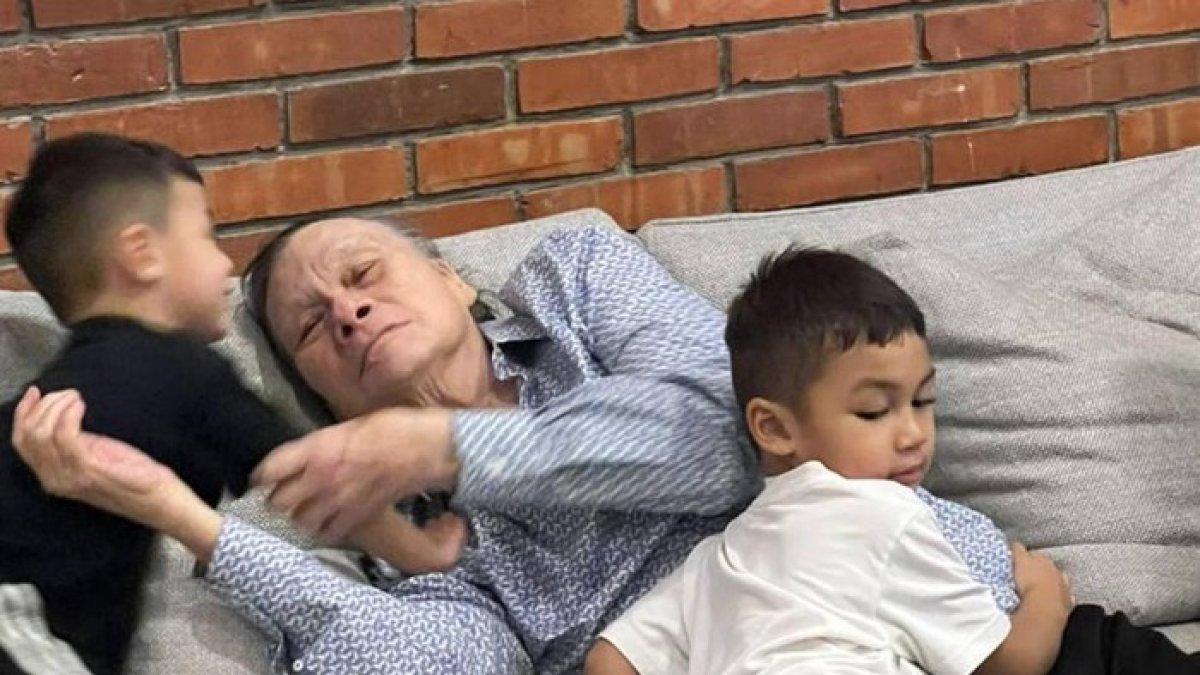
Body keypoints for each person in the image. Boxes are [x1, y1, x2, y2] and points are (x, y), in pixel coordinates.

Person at [10, 216, 759, 673]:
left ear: (450, 279)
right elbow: (429, 661)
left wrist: (450, 444)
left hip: (799, 592)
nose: (348, 311)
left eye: (363, 273)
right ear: (327, 403)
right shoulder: (416, 541)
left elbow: (737, 429)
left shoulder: (574, 280)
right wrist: (183, 516)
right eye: (312, 326)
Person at [586, 248, 1200, 674]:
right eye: (874, 412)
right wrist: (1045, 594)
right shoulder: (884, 515)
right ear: (773, 428)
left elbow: (609, 659)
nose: (913, 434)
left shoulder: (717, 559)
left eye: (923, 402)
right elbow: (1010, 664)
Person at [0, 135, 464, 675]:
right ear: (142, 255)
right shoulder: (184, 372)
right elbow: (320, 477)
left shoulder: (74, 384)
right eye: (206, 235)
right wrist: (421, 552)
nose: (224, 262)